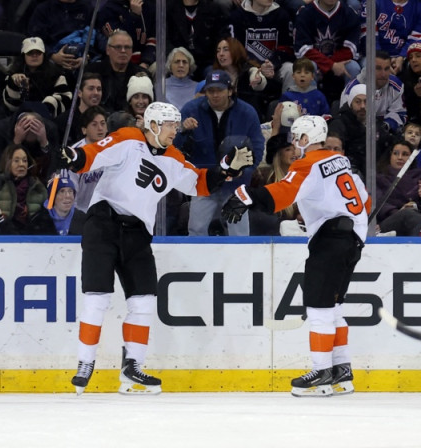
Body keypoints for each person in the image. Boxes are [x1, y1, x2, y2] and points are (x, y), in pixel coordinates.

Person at [60, 101, 253, 395]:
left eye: (176, 125)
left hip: (137, 232)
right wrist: (74, 157)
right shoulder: (128, 138)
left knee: (144, 300)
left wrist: (226, 168)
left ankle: (133, 366)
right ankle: (85, 363)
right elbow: (94, 154)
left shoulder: (174, 157)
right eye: (170, 124)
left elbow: (199, 183)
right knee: (97, 297)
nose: (175, 130)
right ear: (152, 125)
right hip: (103, 224)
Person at [222, 115, 370, 397]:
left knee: (319, 308)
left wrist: (247, 196)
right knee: (334, 308)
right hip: (352, 241)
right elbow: (365, 201)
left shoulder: (308, 163)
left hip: (331, 239)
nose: (293, 145)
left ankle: (322, 373)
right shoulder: (344, 163)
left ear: (305, 139)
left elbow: (285, 192)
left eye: (296, 139)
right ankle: (342, 371)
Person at [176, 70, 265, 236]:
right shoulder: (191, 110)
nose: (215, 95)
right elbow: (174, 146)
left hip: (236, 184)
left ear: (230, 91)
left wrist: (246, 171)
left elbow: (258, 145)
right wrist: (182, 130)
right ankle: (195, 262)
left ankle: (240, 262)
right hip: (204, 180)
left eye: (220, 90)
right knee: (196, 230)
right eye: (211, 91)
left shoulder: (247, 112)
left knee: (240, 233)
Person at [375, 140, 421, 237]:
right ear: (390, 156)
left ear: (411, 158)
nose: (400, 157)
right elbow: (377, 203)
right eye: (396, 153)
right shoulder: (378, 178)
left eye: (405, 154)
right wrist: (399, 211)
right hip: (386, 225)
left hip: (418, 222)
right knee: (409, 215)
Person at [3, 37, 72, 118]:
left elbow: (65, 100)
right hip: (18, 118)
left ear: (44, 55)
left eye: (38, 52)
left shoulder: (56, 75)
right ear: (23, 55)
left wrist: (43, 108)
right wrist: (14, 84)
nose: (34, 55)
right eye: (30, 52)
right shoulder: (12, 75)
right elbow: (10, 107)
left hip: (48, 119)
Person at [340, 51, 407, 134]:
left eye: (386, 69)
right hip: (356, 134)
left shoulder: (396, 86)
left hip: (386, 133)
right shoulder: (352, 89)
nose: (383, 74)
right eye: (378, 68)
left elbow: (400, 113)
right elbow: (345, 118)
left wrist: (385, 126)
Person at [248, 133, 301, 235]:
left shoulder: (302, 177)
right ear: (278, 155)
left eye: (294, 148)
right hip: (271, 235)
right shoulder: (262, 178)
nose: (294, 152)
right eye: (288, 149)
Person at [0, 144, 48, 233]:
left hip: (32, 239)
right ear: (7, 162)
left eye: (24, 160)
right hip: (0, 238)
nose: (21, 164)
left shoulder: (37, 187)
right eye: (16, 161)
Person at [86, 30, 150, 112]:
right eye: (118, 47)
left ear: (131, 51)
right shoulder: (92, 72)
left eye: (127, 47)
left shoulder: (143, 75)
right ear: (108, 50)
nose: (123, 51)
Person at [56, 73, 105, 145]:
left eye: (99, 89)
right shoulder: (64, 121)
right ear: (79, 93)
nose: (96, 93)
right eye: (91, 89)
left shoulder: (107, 118)